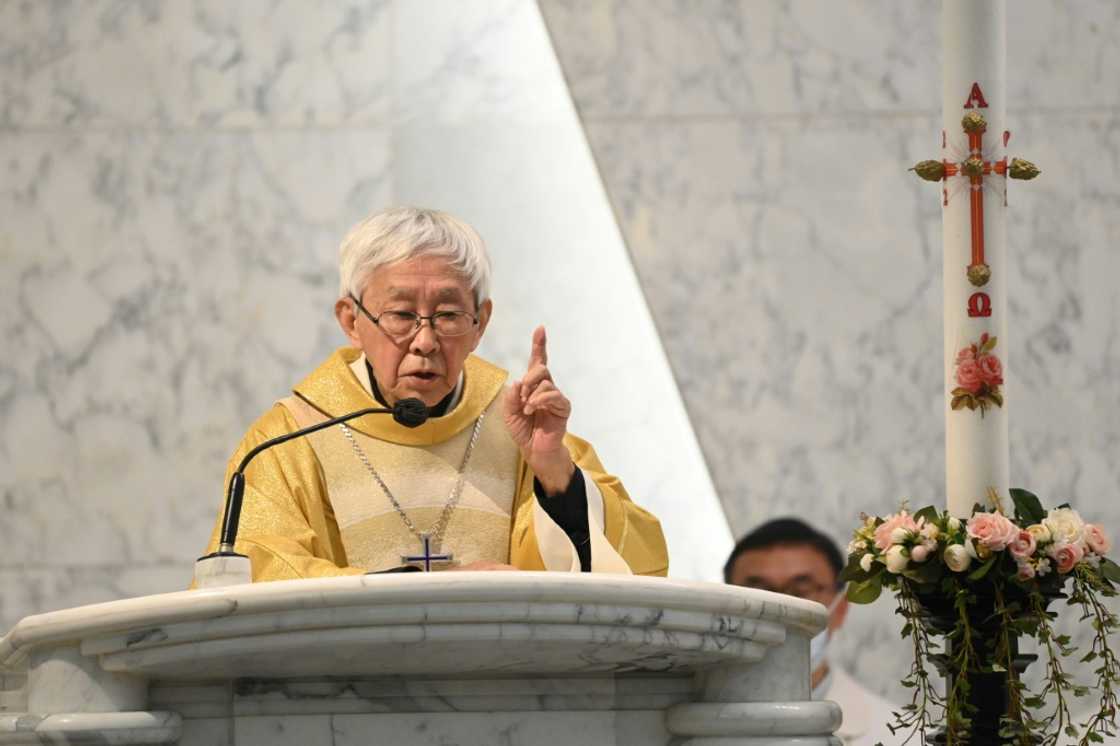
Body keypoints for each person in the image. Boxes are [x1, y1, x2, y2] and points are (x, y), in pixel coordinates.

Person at [200, 206, 668, 580]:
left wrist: (555, 474)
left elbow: (635, 567)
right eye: (402, 314)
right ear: (351, 321)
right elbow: (257, 571)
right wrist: (415, 586)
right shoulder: (289, 437)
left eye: (447, 315)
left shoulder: (520, 425)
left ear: (480, 323)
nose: (425, 341)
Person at [724, 518, 898, 746]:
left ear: (840, 609)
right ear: (724, 606)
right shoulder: (672, 724)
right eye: (758, 594)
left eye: (801, 592)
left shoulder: (904, 736)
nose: (780, 612)